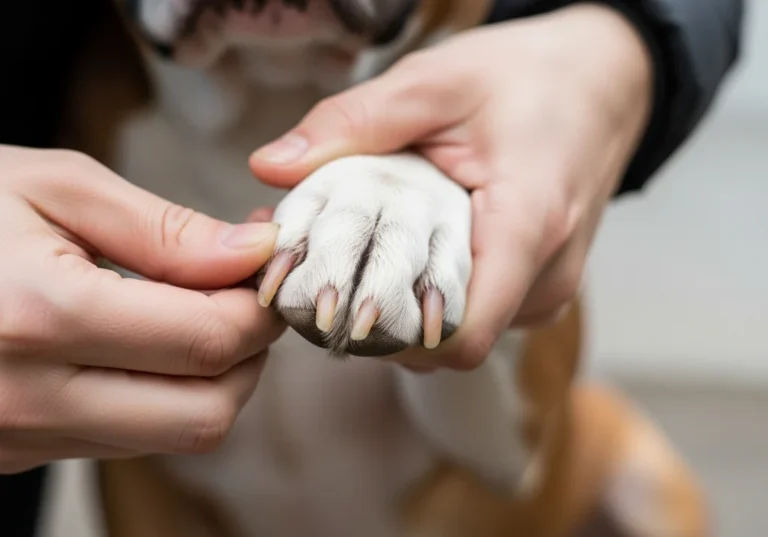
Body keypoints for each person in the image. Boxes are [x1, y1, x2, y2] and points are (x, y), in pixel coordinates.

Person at [0, 0, 743, 535]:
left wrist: (615, 41)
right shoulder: (86, 113)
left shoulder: (500, 116)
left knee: (641, 480)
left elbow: (502, 455)